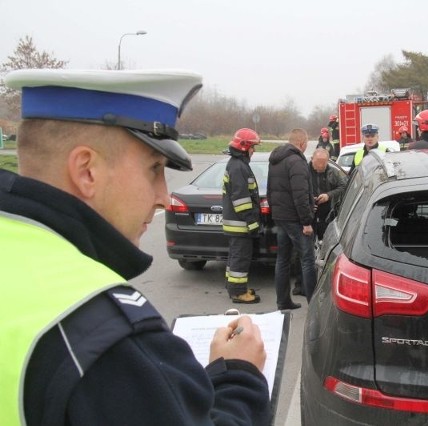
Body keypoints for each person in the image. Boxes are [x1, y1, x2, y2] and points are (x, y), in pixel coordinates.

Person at [0, 69, 270, 425]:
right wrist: (240, 377)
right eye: (154, 168)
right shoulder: (105, 339)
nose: (163, 197)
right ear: (87, 170)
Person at [267, 128, 317, 307]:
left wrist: (276, 213)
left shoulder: (275, 160)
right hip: (296, 220)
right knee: (308, 261)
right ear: (302, 143)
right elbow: (301, 195)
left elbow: (270, 191)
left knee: (283, 260)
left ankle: (283, 301)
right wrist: (307, 221)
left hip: (281, 218)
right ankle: (314, 306)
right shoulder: (296, 161)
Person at [292, 149, 347, 296]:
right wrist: (310, 201)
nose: (321, 166)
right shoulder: (304, 171)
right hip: (306, 215)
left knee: (329, 249)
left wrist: (328, 196)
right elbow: (297, 190)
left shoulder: (333, 172)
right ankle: (300, 284)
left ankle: (327, 283)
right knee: (303, 250)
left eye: (324, 163)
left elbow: (343, 186)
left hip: (327, 214)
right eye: (318, 163)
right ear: (312, 159)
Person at [222, 128, 262, 304]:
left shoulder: (236, 164)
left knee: (234, 257)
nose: (254, 150)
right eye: (253, 147)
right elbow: (241, 200)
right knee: (240, 258)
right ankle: (239, 293)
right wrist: (252, 222)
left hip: (235, 224)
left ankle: (233, 287)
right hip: (240, 224)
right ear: (244, 147)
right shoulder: (239, 167)